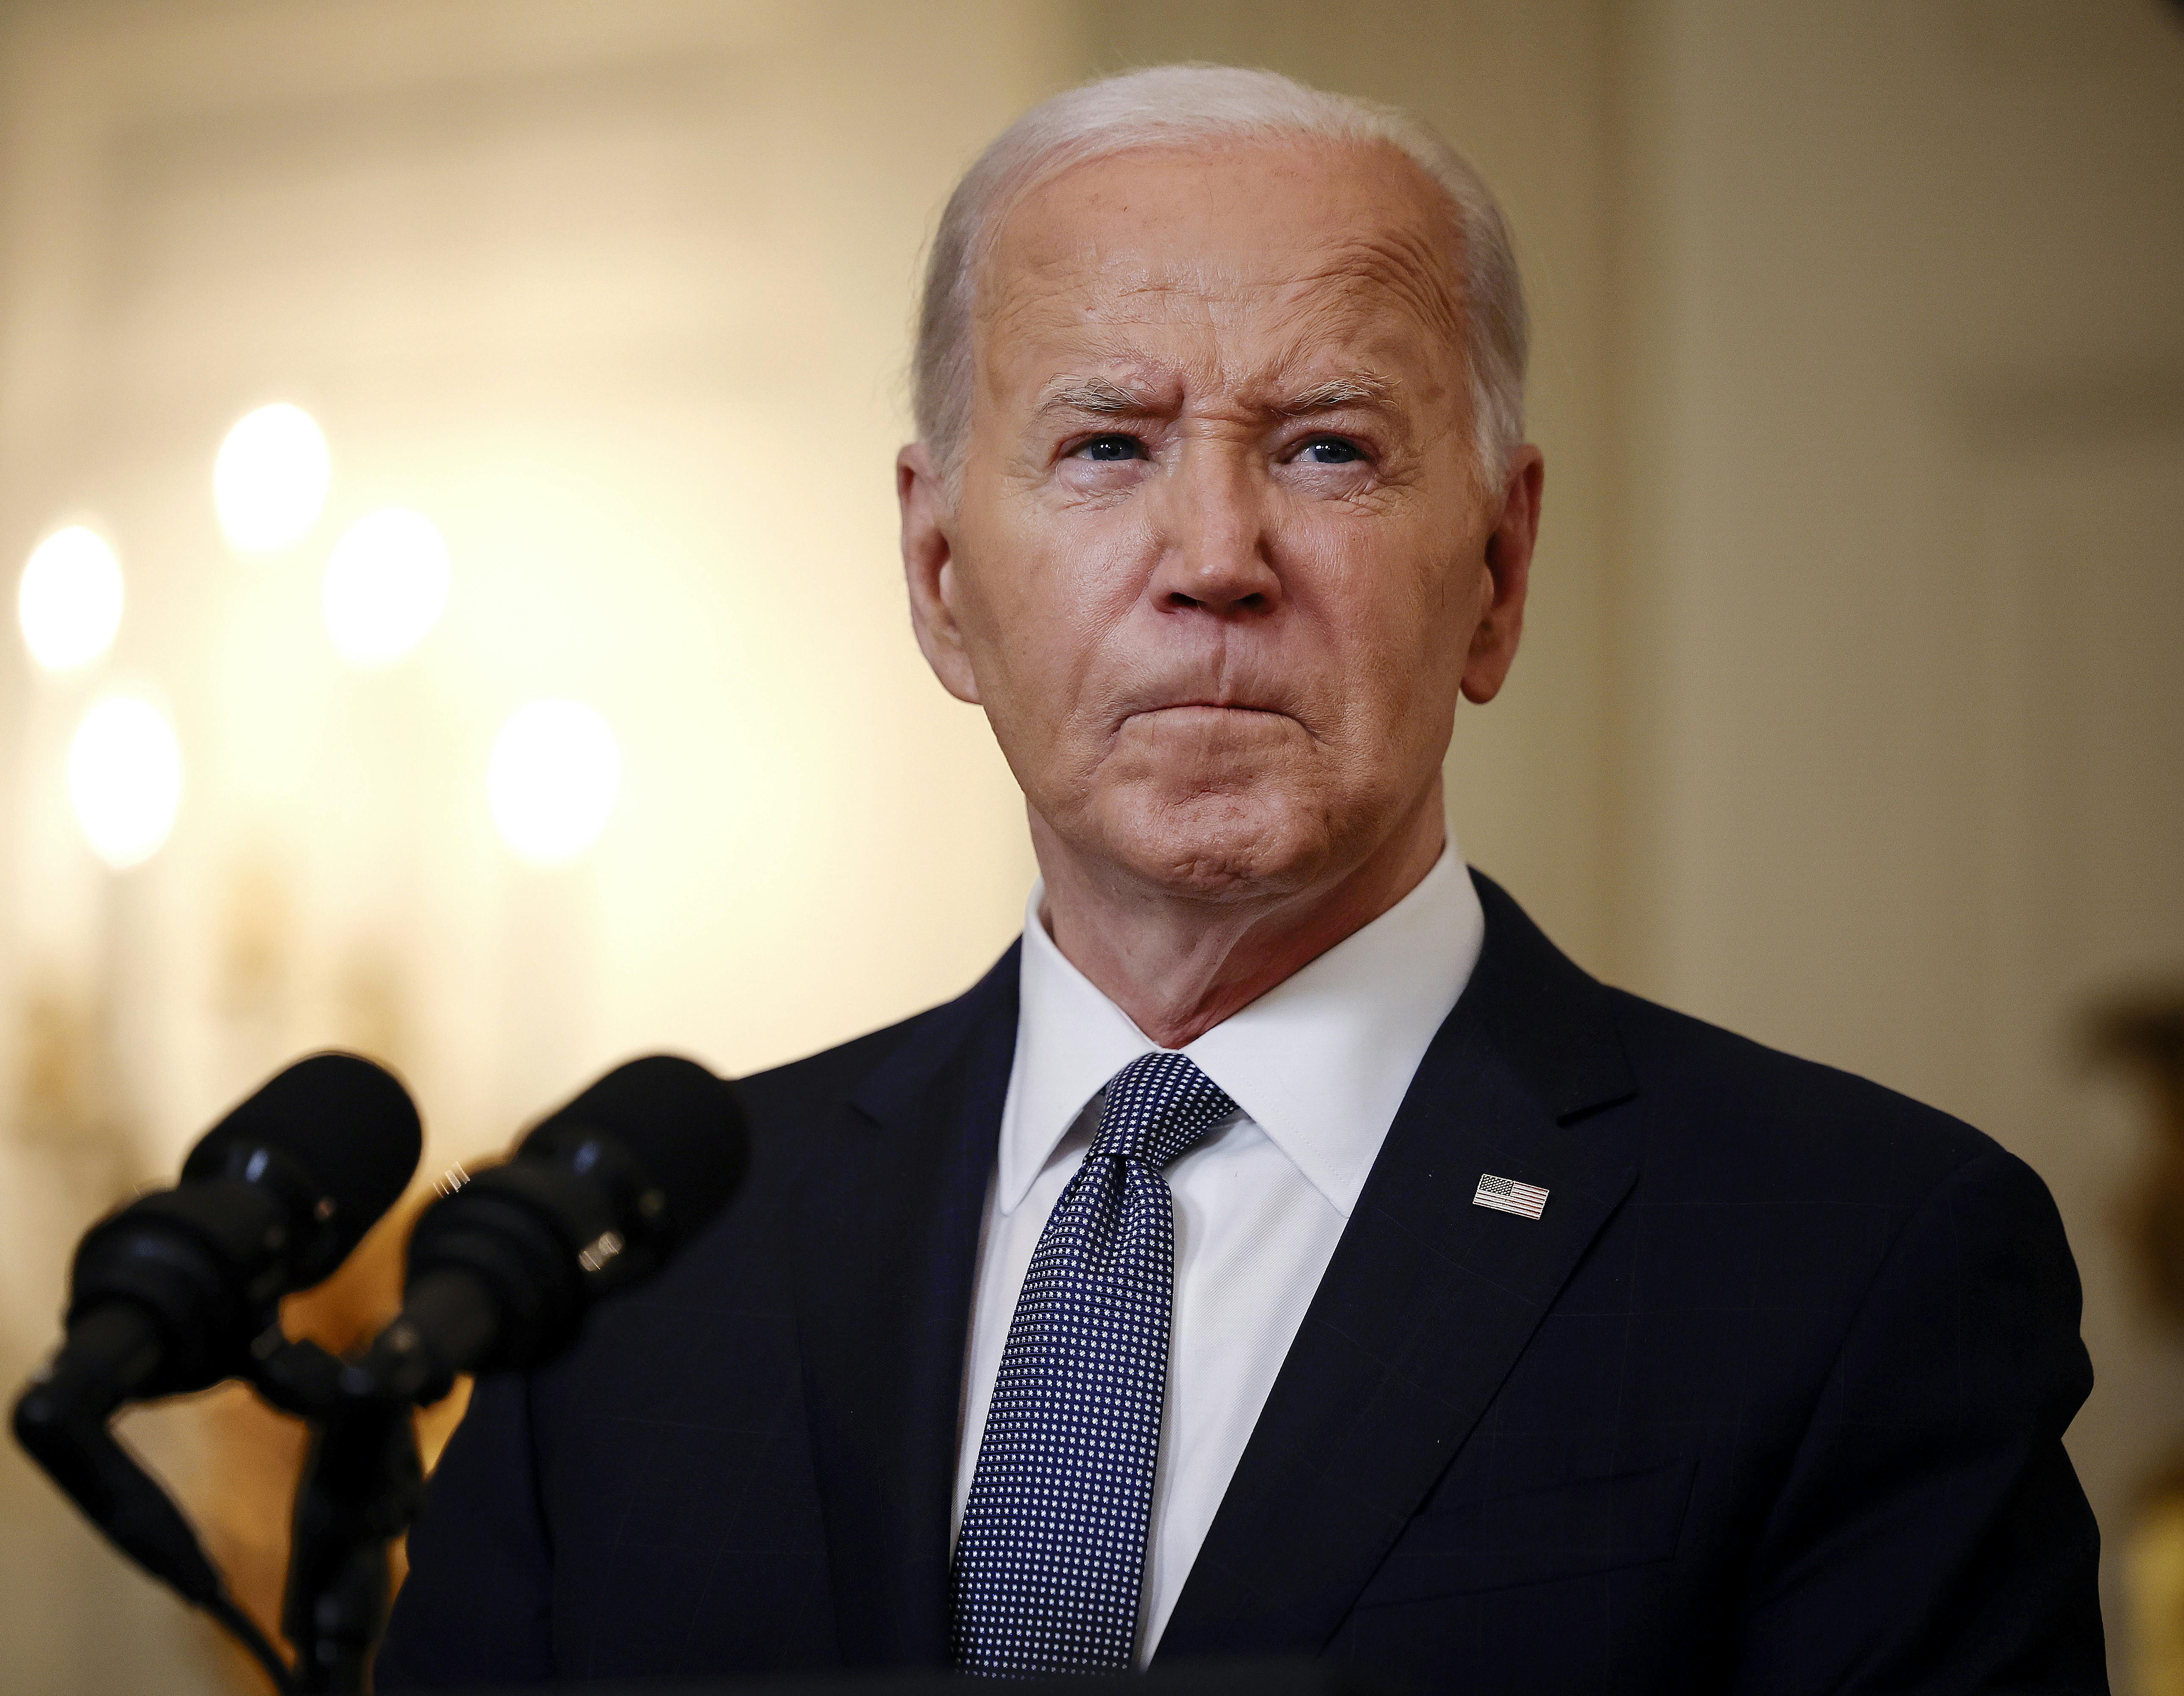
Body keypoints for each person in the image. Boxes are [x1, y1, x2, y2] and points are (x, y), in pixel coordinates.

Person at [377, 65, 2103, 1692]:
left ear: (1500, 569)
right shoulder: (622, 1276)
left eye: (1328, 447)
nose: (1215, 558)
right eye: (1107, 445)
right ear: (937, 570)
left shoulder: (1853, 1265)